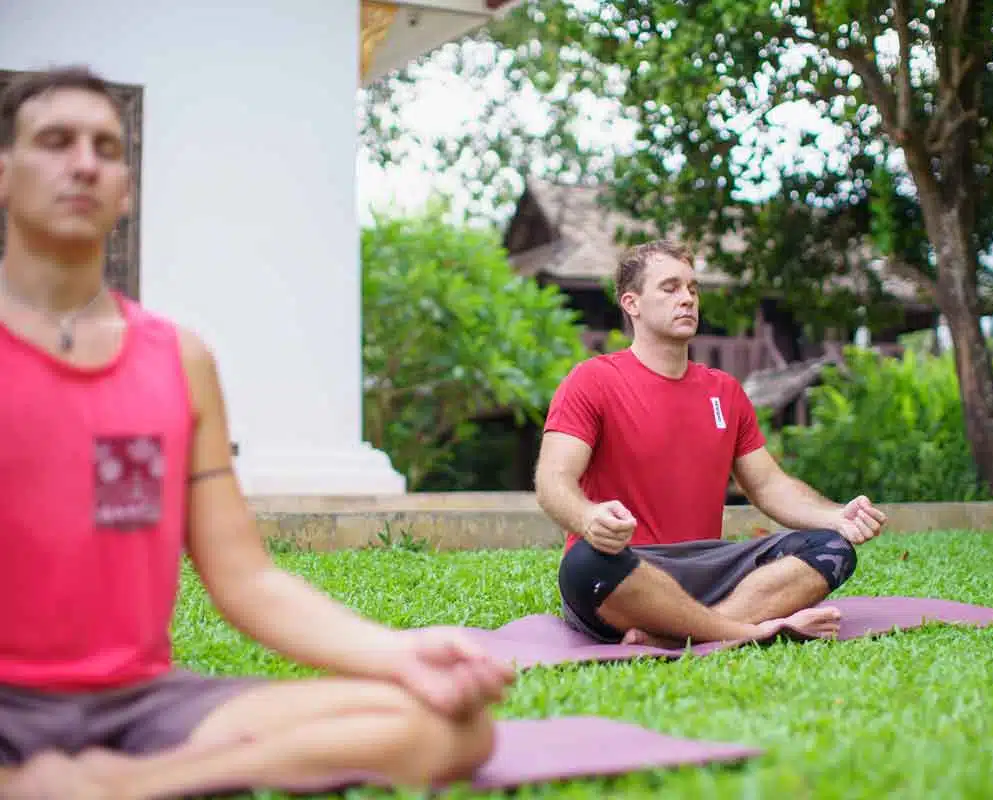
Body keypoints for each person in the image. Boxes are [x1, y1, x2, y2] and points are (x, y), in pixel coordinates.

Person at [0, 66, 514, 799]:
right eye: (55, 141)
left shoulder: (179, 359)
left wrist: (398, 652)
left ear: (126, 188)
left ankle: (131, 785)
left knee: (448, 725)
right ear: (5, 175)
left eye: (107, 148)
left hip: (141, 706)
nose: (84, 162)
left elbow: (247, 579)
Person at [534, 239, 889, 648]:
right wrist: (587, 518)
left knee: (830, 548)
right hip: (628, 570)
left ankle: (678, 636)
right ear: (631, 304)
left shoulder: (724, 390)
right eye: (670, 288)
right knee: (584, 564)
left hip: (708, 568)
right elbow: (553, 480)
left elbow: (769, 486)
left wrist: (835, 517)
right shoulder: (592, 380)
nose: (686, 299)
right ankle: (742, 631)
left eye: (692, 288)